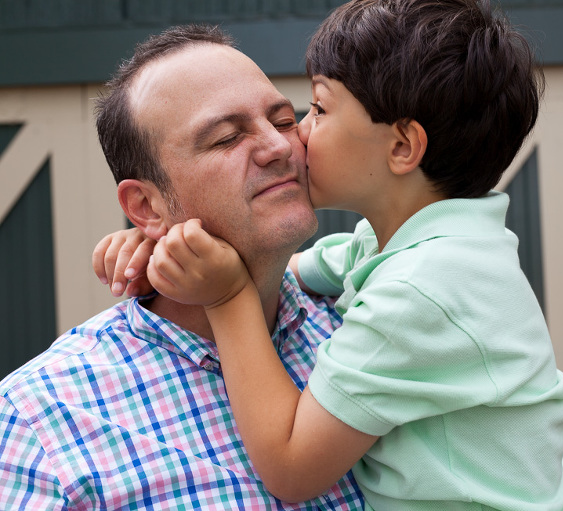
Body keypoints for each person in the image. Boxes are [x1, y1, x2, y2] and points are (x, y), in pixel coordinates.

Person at [127, 1, 563, 509]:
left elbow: (291, 468)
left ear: (401, 148)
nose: (297, 134)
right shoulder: (422, 247)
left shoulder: (420, 292)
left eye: (320, 109)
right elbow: (302, 270)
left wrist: (229, 294)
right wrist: (163, 244)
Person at [0, 24, 365, 510]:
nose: (279, 147)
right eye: (226, 138)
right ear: (147, 207)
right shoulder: (41, 422)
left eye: (282, 120)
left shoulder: (367, 318)